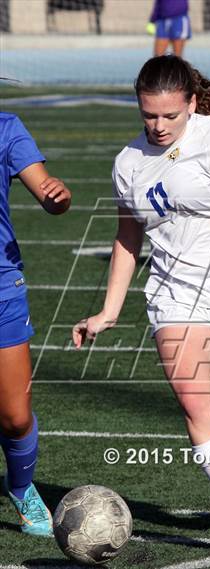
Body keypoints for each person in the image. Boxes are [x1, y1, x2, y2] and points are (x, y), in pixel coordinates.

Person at [73, 55, 210, 559]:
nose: (157, 126)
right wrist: (108, 310)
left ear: (192, 104)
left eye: (169, 116)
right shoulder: (128, 162)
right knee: (194, 405)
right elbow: (127, 236)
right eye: (148, 115)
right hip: (175, 298)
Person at [0, 111, 71, 535]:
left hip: (2, 284)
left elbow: (44, 187)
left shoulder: (6, 126)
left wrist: (55, 196)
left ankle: (22, 487)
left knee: (14, 416)